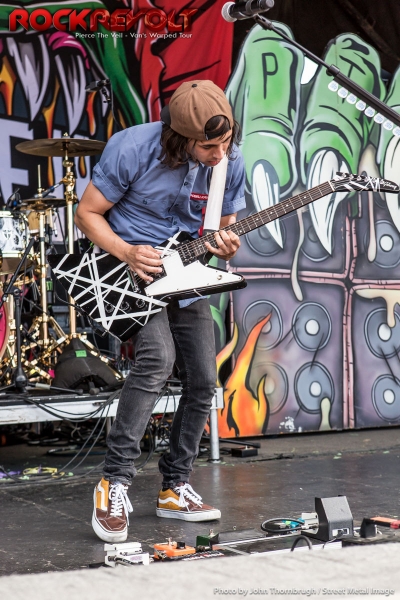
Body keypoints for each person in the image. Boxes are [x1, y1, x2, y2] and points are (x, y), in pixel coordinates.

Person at [74, 80, 246, 543]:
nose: (219, 154)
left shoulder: (229, 161)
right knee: (156, 359)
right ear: (179, 137)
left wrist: (226, 244)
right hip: (129, 271)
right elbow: (87, 213)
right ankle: (114, 482)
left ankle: (175, 486)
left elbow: (222, 228)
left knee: (204, 379)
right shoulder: (132, 147)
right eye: (208, 147)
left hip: (185, 275)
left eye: (225, 143)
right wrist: (127, 252)